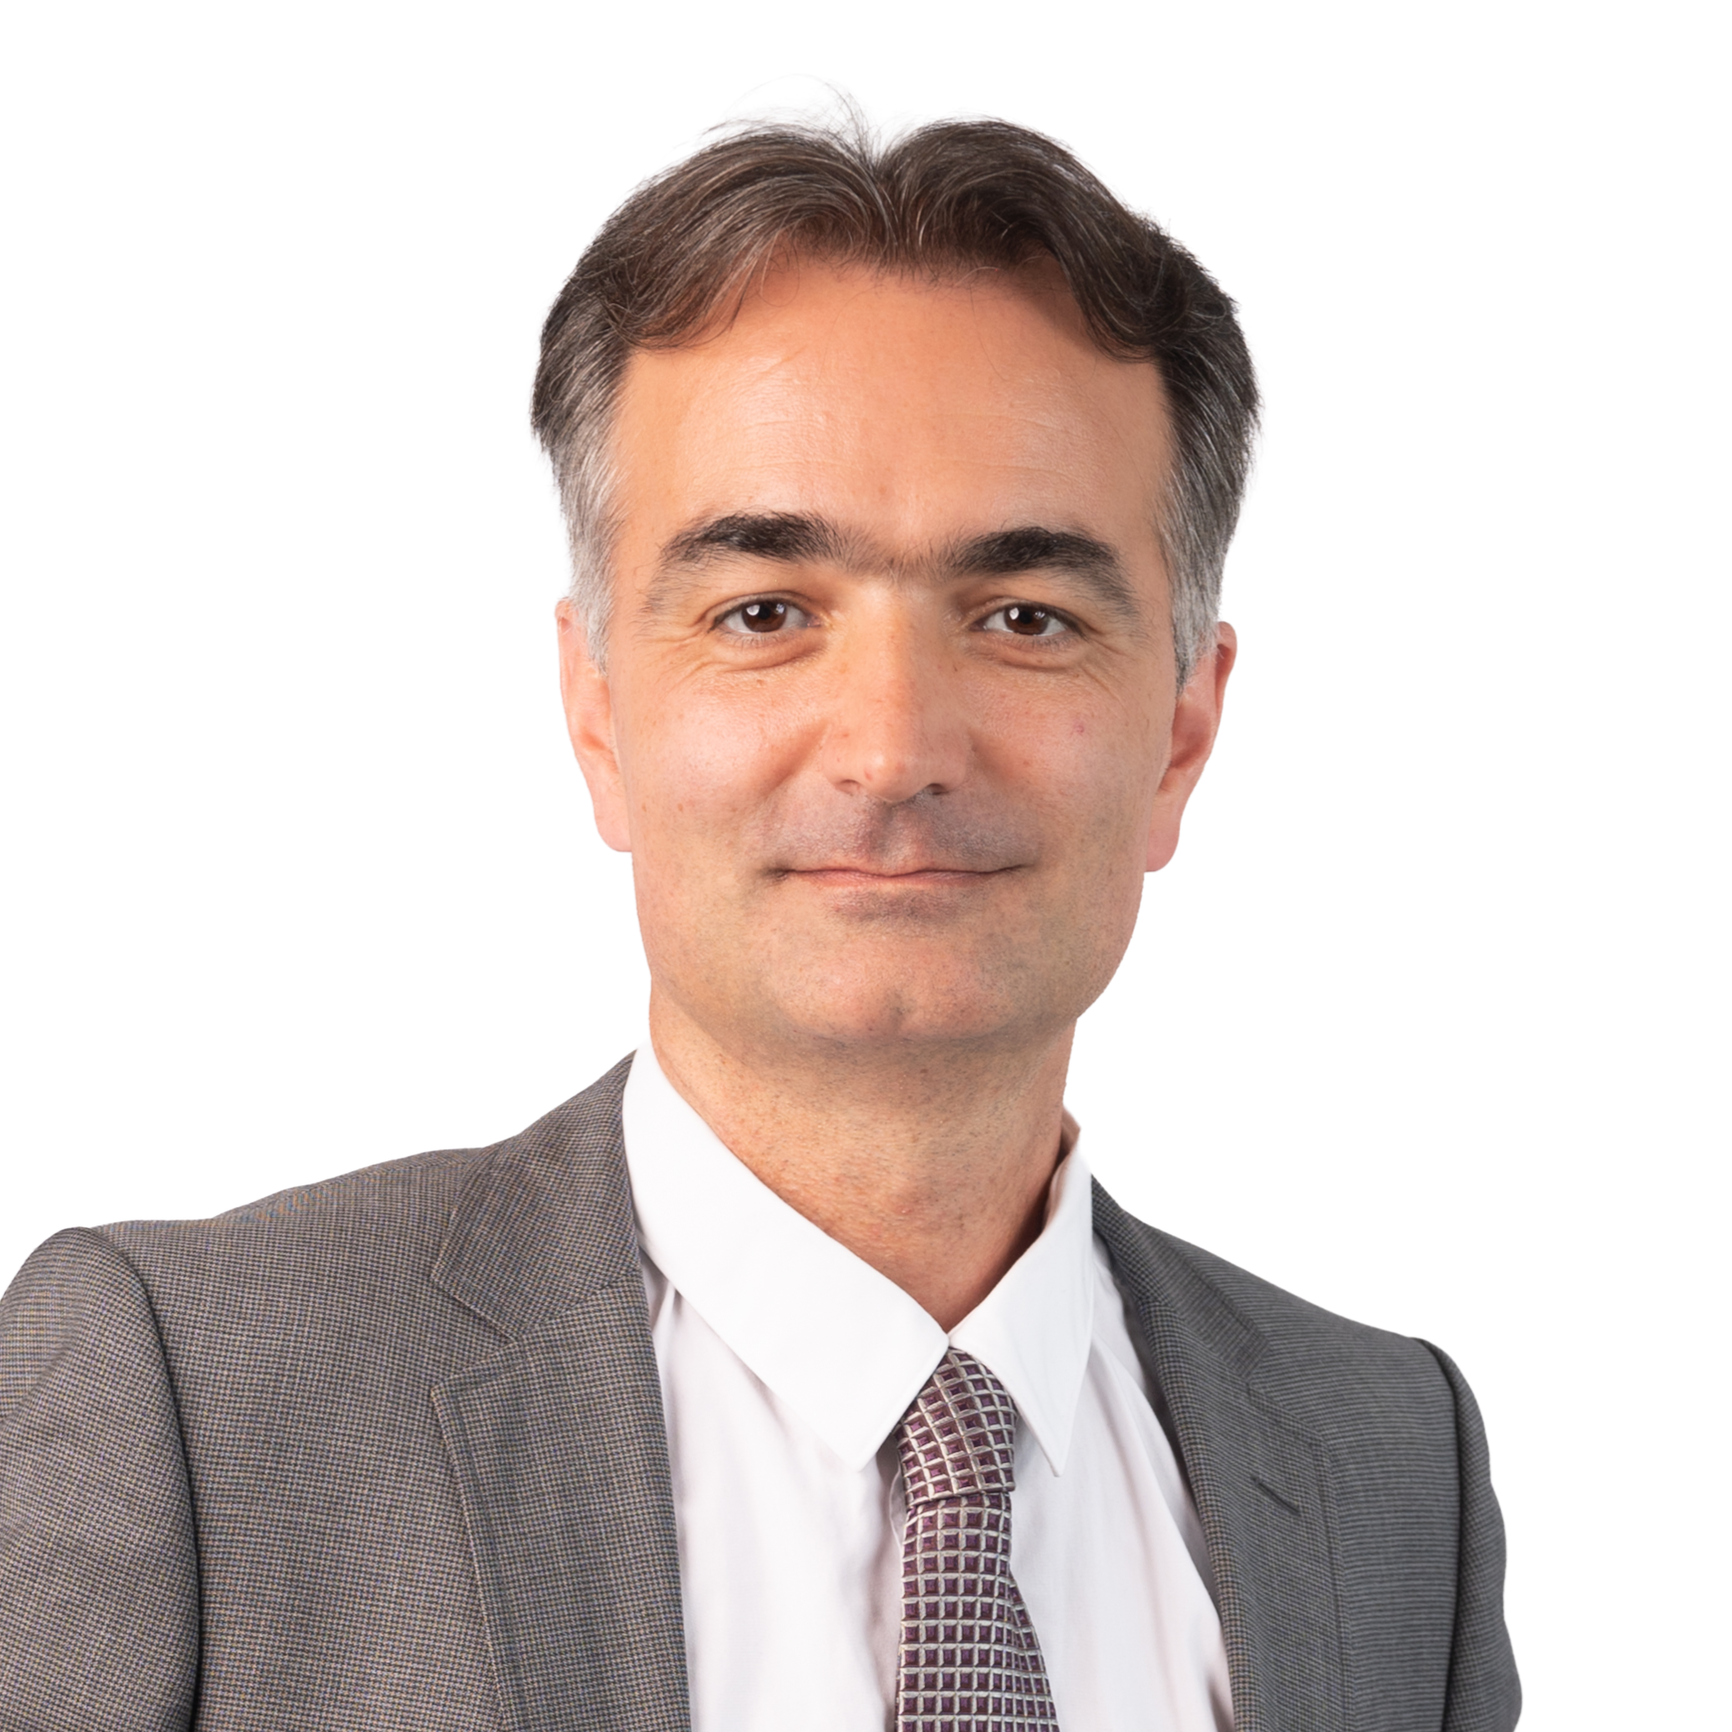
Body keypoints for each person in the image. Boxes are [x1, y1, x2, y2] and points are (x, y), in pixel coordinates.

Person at [0, 117, 1519, 1732]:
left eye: (1024, 617)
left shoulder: (1387, 1462)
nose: (893, 748)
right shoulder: (192, 1401)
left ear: (1183, 734)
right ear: (598, 710)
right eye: (766, 613)